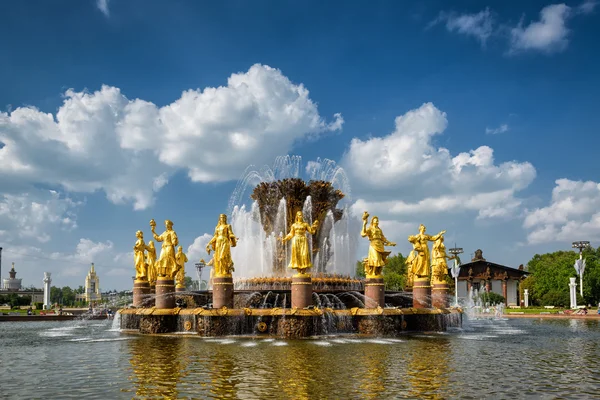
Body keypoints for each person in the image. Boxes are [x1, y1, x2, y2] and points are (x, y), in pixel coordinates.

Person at [280, 211, 319, 276]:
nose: (301, 216)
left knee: (304, 254)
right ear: (297, 216)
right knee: (296, 255)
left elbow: (311, 231)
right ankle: (298, 271)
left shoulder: (305, 224)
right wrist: (285, 239)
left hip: (303, 240)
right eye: (299, 215)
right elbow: (291, 234)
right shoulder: (294, 225)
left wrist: (315, 225)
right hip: (296, 240)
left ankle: (303, 271)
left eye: (301, 215)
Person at [361, 211, 396, 278]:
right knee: (375, 259)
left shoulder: (379, 229)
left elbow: (383, 238)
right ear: (373, 221)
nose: (377, 222)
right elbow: (363, 234)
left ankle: (377, 273)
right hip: (373, 244)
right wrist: (364, 224)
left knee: (380, 260)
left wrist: (390, 243)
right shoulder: (370, 228)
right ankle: (373, 273)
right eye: (376, 221)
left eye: (377, 221)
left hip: (380, 245)